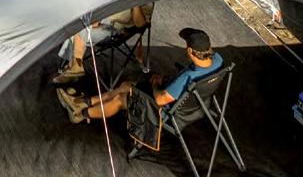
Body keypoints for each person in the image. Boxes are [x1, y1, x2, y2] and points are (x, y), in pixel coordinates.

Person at [57, 27, 223, 123]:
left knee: (120, 99)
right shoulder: (218, 60)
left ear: (190, 51)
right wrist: (165, 80)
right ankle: (84, 102)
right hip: (196, 104)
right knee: (126, 85)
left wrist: (155, 84)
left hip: (167, 112)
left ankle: (81, 114)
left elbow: (160, 100)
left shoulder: (187, 77)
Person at [52, 4, 154, 84]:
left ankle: (75, 67)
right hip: (103, 21)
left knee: (80, 30)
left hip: (116, 30)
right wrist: (97, 18)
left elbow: (140, 24)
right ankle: (73, 65)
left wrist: (135, 4)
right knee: (76, 23)